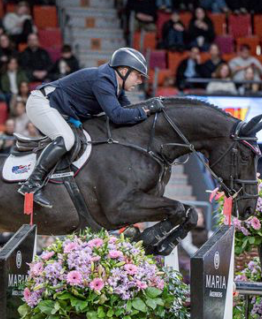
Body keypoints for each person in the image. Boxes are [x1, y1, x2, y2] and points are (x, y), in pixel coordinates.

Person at [19, 47, 163, 207]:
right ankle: (31, 184)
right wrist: (148, 109)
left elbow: (128, 112)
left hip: (60, 110)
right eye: (138, 75)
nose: (140, 81)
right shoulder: (103, 81)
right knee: (67, 139)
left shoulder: (116, 86)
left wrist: (148, 111)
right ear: (123, 70)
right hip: (42, 103)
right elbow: (117, 115)